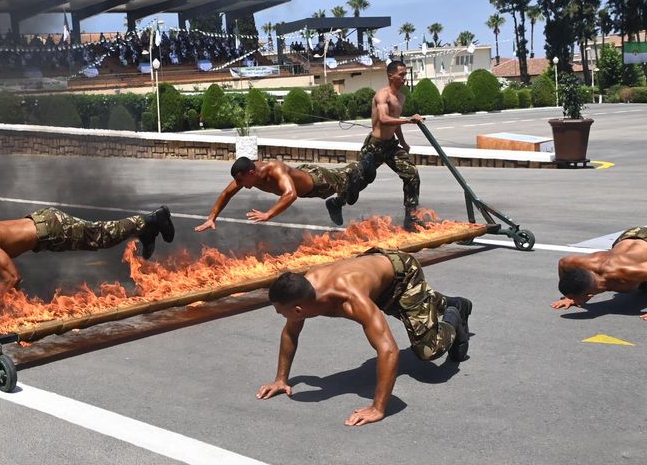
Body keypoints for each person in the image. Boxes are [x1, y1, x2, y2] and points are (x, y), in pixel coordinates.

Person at [256, 248, 472, 426]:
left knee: (428, 349)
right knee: (418, 304)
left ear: (298, 310)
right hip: (374, 275)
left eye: (280, 312)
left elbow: (389, 350)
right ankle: (442, 301)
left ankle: (455, 313)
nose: (280, 316)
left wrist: (378, 408)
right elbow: (291, 333)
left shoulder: (351, 300)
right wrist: (281, 379)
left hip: (402, 275)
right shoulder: (303, 292)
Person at [0, 206, 175, 300]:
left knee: (102, 236)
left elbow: (13, 278)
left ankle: (152, 220)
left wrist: (1, 304)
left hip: (52, 229)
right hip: (44, 224)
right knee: (100, 235)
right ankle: (146, 230)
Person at [325, 60, 427, 231]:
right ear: (391, 76)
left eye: (405, 74)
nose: (404, 78)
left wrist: (403, 142)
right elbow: (384, 119)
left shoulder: (401, 97)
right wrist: (409, 120)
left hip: (390, 146)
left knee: (411, 173)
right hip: (374, 146)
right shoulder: (382, 95)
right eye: (401, 75)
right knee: (360, 181)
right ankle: (336, 202)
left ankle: (411, 218)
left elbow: (394, 123)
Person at [194, 156, 375, 231]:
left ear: (251, 173)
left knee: (347, 176)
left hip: (318, 182)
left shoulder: (274, 169)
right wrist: (212, 217)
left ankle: (363, 165)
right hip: (303, 175)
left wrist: (268, 214)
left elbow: (290, 194)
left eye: (241, 181)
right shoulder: (247, 176)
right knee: (348, 186)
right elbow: (226, 193)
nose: (239, 185)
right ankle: (344, 195)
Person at [553, 226, 647, 320]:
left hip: (636, 245)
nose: (573, 300)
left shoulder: (630, 273)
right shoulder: (584, 264)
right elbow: (563, 262)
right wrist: (569, 297)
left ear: (589, 295)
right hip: (627, 238)